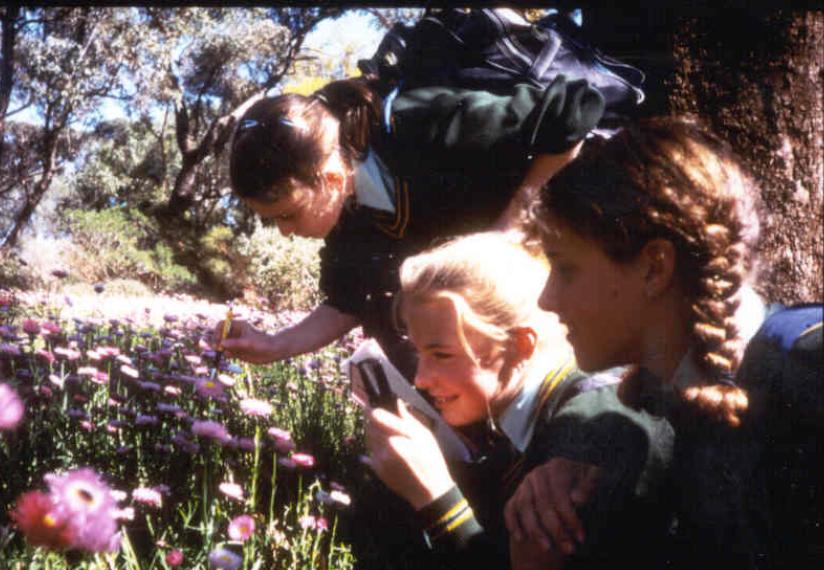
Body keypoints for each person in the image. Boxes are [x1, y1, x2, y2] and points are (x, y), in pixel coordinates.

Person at [506, 116, 805, 570]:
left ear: (654, 267)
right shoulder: (685, 398)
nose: (547, 299)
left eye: (565, 268)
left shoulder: (804, 379)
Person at [358, 230, 672, 570]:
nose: (420, 378)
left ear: (522, 345)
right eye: (419, 353)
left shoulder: (580, 445)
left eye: (442, 354)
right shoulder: (530, 413)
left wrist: (436, 499)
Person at [218, 74, 605, 377]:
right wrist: (275, 345)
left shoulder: (422, 124)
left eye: (289, 214)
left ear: (331, 178)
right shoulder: (348, 209)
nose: (286, 231)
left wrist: (509, 233)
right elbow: (349, 299)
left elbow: (575, 110)